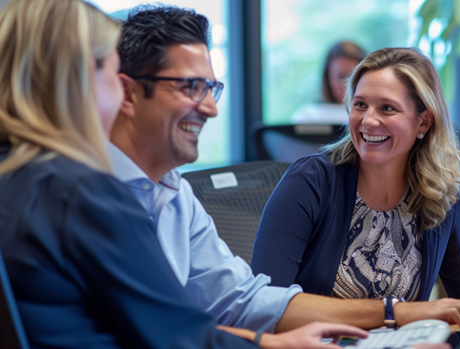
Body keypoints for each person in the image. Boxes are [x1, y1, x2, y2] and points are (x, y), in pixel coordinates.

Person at [0, 0, 369, 347]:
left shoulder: (22, 179)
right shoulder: (81, 192)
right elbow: (175, 332)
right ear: (71, 82)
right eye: (108, 71)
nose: (118, 86)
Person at [109, 4, 460, 335]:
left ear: (423, 123)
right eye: (191, 87)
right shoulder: (87, 197)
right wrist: (395, 312)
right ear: (125, 92)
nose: (210, 108)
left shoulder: (174, 195)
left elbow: (244, 300)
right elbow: (158, 324)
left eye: (211, 88)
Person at [251, 48, 460, 305]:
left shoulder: (440, 193)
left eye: (387, 108)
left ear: (423, 122)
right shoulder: (310, 182)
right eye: (360, 105)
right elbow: (267, 302)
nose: (368, 121)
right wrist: (393, 314)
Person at [290, 41, 366, 124]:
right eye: (341, 77)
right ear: (327, 78)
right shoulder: (307, 117)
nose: (349, 85)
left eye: (356, 76)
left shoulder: (373, 116)